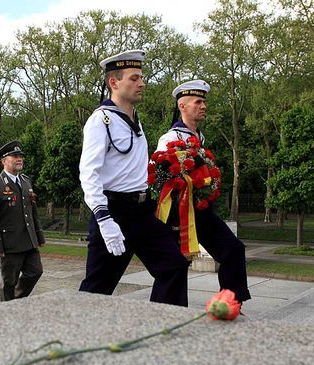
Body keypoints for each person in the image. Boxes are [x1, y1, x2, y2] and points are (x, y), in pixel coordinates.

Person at [78, 49, 190, 306]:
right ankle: (73, 338)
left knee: (173, 266)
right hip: (113, 211)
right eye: (134, 78)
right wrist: (103, 219)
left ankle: (158, 328)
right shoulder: (101, 121)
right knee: (97, 289)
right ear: (113, 82)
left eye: (141, 77)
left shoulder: (134, 120)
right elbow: (89, 173)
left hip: (141, 210)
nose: (142, 83)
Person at [156, 80, 251, 304]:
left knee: (233, 250)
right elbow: (159, 179)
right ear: (183, 106)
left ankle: (231, 302)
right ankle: (166, 310)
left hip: (199, 208)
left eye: (204, 102)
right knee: (175, 265)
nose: (203, 106)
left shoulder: (199, 138)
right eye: (198, 102)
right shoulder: (170, 139)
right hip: (177, 213)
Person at [0, 140, 45, 301]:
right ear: (4, 161)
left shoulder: (26, 181)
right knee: (9, 281)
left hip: (28, 240)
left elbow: (32, 211)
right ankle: (7, 310)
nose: (19, 158)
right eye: (14, 156)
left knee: (36, 272)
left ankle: (16, 299)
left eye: (20, 156)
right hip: (8, 244)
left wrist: (39, 236)